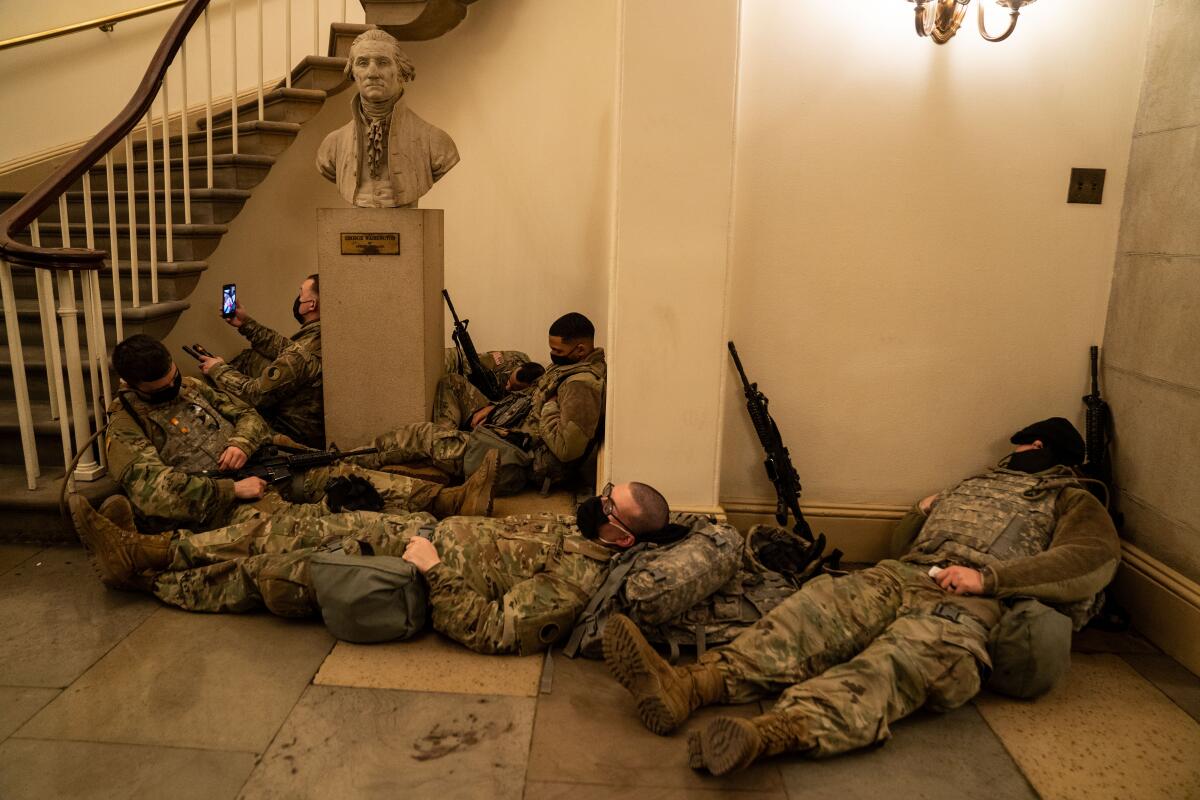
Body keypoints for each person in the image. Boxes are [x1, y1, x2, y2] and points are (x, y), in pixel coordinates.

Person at [602, 417, 1121, 776]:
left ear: (1040, 452)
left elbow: (1089, 559)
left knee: (898, 663)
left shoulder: (1071, 497)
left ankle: (776, 732)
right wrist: (922, 512)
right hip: (905, 574)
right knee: (812, 614)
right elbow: (907, 545)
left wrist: (989, 580)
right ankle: (689, 686)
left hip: (971, 604)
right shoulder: (973, 484)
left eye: (1026, 447)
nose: (1015, 454)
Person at [69, 480, 672, 656]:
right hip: (411, 538)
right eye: (608, 489)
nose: (598, 500)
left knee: (274, 569)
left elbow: (493, 630)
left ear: (621, 535)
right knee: (289, 519)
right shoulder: (578, 527)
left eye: (609, 504)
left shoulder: (574, 581)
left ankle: (146, 569)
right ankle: (155, 546)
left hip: (405, 572)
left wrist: (433, 566)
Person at [104, 335, 496, 535]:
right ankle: (413, 531)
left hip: (262, 464)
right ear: (131, 384)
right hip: (221, 500)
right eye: (162, 389)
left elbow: (249, 417)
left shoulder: (192, 386)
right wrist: (230, 491)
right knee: (308, 524)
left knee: (343, 477)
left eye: (173, 378)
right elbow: (155, 493)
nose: (174, 389)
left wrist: (241, 443)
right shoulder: (125, 425)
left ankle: (446, 500)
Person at [363, 313, 606, 491]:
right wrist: (497, 407)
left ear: (581, 349)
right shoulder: (570, 366)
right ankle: (446, 453)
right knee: (453, 383)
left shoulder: (581, 385)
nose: (553, 355)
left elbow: (567, 450)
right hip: (507, 424)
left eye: (558, 351)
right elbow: (534, 398)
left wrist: (550, 405)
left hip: (515, 455)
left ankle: (348, 459)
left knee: (419, 434)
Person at [316, 29, 459, 208]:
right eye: (362, 63)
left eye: (383, 62)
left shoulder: (435, 142)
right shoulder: (332, 146)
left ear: (400, 71)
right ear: (352, 72)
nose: (372, 73)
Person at [197, 275, 325, 448]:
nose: (298, 298)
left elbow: (255, 394)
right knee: (251, 356)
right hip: (310, 423)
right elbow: (285, 348)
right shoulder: (321, 333)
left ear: (312, 305)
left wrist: (218, 369)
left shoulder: (300, 355)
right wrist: (245, 324)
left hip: (291, 433)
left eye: (301, 293)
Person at [434, 359, 544, 430]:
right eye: (509, 382)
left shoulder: (536, 396)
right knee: (451, 380)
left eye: (514, 388)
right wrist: (493, 406)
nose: (507, 387)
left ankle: (445, 440)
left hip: (496, 424)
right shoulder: (512, 365)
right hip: (491, 407)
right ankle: (443, 434)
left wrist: (494, 409)